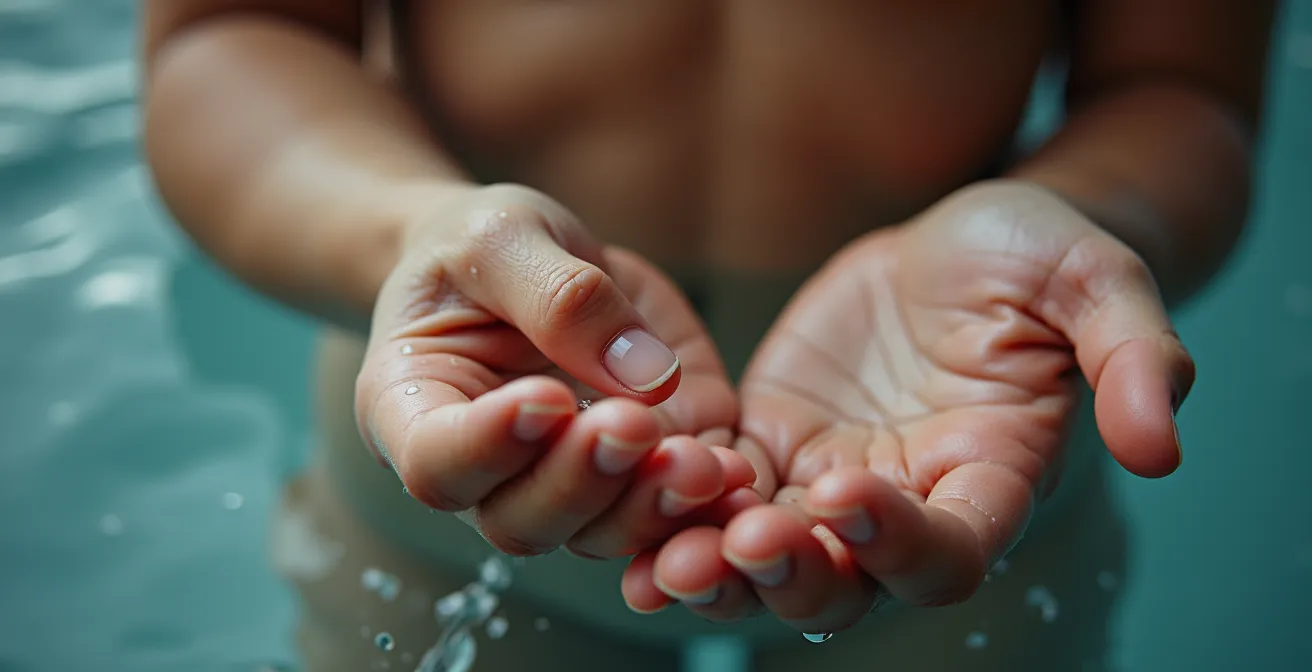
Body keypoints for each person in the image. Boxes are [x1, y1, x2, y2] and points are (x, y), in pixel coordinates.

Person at [140, 1, 1275, 669]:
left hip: (964, 478)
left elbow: (1178, 83)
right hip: (452, 472)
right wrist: (414, 233)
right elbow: (231, 33)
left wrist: (1089, 223)